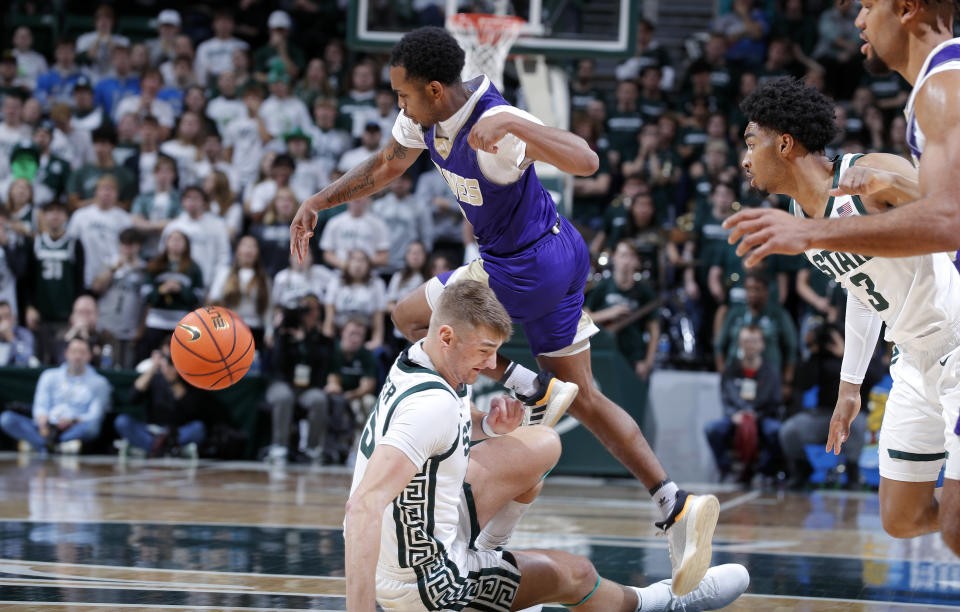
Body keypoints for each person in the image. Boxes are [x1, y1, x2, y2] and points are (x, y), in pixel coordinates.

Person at [292, 26, 721, 594]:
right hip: (558, 254)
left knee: (406, 317)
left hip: (523, 265)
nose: (398, 104)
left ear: (437, 89)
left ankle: (530, 388)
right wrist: (319, 201)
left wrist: (518, 122)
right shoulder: (426, 118)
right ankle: (675, 504)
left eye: (403, 95)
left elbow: (587, 160)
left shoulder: (494, 124)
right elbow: (390, 164)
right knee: (586, 398)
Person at [344, 279, 749, 611]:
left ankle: (489, 551)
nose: (490, 366)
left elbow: (436, 431)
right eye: (485, 352)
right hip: (427, 584)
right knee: (575, 574)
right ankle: (658, 603)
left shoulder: (417, 358)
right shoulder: (431, 406)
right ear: (447, 335)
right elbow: (362, 507)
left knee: (540, 444)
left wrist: (490, 425)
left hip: (404, 540)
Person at [737, 77, 959, 555]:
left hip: (956, 341)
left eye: (751, 143)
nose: (745, 159)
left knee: (956, 523)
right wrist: (849, 389)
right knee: (902, 517)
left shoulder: (869, 168)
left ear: (785, 142)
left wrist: (894, 184)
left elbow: (950, 208)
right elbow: (860, 293)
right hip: (912, 360)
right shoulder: (801, 216)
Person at [723, 0, 960, 266]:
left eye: (869, 6)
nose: (859, 21)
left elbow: (950, 220)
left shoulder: (945, 86)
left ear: (907, 8)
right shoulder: (938, 84)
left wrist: (810, 232)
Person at [0, 337, 110, 454]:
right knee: (7, 419)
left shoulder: (99, 382)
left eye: (82, 352)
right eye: (74, 352)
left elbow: (95, 415)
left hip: (75, 427)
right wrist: (43, 422)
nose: (77, 356)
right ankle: (55, 447)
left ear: (89, 356)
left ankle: (41, 444)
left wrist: (72, 421)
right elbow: (40, 406)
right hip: (47, 426)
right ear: (66, 354)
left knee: (92, 428)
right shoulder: (49, 376)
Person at [705, 325, 782, 484]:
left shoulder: (772, 373)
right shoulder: (730, 371)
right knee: (712, 429)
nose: (750, 346)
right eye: (746, 341)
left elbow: (775, 403)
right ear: (740, 344)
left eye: (754, 341)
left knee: (775, 431)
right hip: (736, 417)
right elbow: (726, 400)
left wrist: (756, 416)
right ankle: (725, 470)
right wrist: (735, 415)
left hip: (762, 417)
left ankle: (763, 471)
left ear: (762, 344)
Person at [265, 294, 334, 464]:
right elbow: (276, 363)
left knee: (319, 399)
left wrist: (305, 341)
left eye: (312, 308)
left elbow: (322, 362)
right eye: (305, 308)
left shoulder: (320, 336)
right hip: (281, 383)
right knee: (284, 396)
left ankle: (311, 448)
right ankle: (279, 446)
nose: (308, 312)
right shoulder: (284, 330)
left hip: (306, 387)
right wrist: (281, 333)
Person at [116, 347, 205, 459]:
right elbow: (133, 397)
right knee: (122, 421)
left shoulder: (186, 380)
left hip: (175, 432)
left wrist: (173, 382)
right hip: (150, 431)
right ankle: (169, 449)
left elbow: (191, 408)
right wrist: (154, 366)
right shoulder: (153, 377)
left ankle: (152, 448)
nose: (169, 365)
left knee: (198, 428)